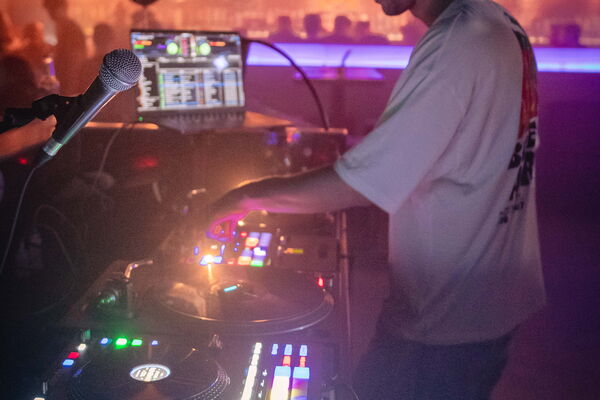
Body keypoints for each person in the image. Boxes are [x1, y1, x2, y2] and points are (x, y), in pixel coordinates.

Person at [207, 0, 545, 398]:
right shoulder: (500, 23)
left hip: (443, 319)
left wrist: (244, 198)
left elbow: (362, 183)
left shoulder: (455, 43)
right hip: (491, 298)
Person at [42, 0, 86, 96]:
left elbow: (75, 63)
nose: (50, 14)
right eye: (49, 10)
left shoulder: (72, 30)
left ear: (62, 8)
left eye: (52, 9)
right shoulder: (63, 28)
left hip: (69, 88)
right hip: (64, 87)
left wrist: (69, 92)